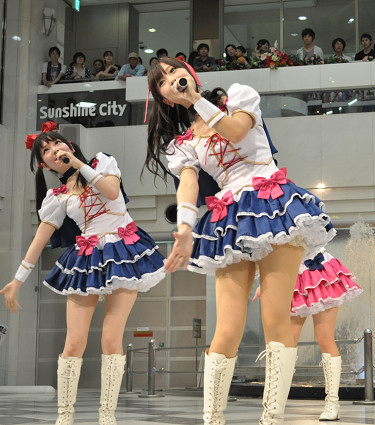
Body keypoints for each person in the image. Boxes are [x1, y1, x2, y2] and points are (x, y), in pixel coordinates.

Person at [144, 58, 336, 424]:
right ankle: (212, 419)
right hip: (229, 216)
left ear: (190, 74)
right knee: (227, 328)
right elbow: (188, 184)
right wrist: (185, 226)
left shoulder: (239, 96)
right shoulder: (181, 144)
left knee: (275, 319)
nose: (171, 79)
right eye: (163, 81)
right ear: (165, 98)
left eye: (173, 71)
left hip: (273, 202)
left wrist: (196, 99)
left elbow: (234, 131)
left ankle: (272, 419)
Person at [0, 123, 165, 425]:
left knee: (111, 339)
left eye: (56, 144)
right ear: (44, 164)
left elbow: (111, 191)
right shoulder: (57, 197)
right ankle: (64, 417)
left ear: (70, 147)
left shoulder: (102, 162)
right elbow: (39, 241)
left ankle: (107, 417)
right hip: (86, 258)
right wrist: (17, 280)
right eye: (45, 150)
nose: (53, 151)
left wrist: (78, 164)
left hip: (123, 252)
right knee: (74, 343)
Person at [253, 249, 362, 421]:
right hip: (292, 275)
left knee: (325, 338)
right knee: (286, 344)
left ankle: (332, 403)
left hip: (319, 270)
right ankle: (274, 408)